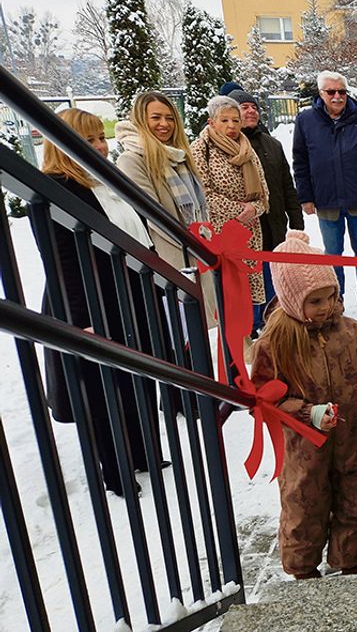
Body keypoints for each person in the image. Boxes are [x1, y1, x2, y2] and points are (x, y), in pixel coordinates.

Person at [250, 230, 357, 579]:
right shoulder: (275, 343)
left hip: (350, 443)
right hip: (304, 451)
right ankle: (303, 571)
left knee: (355, 503)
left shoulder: (351, 332)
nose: (325, 308)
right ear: (290, 300)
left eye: (330, 297)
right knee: (305, 508)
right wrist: (307, 413)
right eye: (314, 301)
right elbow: (263, 398)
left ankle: (352, 563)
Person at [38, 108, 156, 496]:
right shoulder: (56, 187)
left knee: (132, 375)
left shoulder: (103, 180)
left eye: (99, 138)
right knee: (103, 389)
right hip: (91, 303)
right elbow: (61, 261)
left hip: (126, 296)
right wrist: (81, 317)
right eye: (87, 141)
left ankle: (142, 453)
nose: (99, 147)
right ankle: (116, 469)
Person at [115, 91, 217, 325]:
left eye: (170, 118)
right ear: (141, 119)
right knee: (190, 328)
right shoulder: (132, 159)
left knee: (213, 325)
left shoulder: (180, 156)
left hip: (201, 249)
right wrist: (192, 247)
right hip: (173, 255)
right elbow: (152, 215)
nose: (164, 124)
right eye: (156, 118)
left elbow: (201, 207)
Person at [293, 70, 357, 318]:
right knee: (333, 254)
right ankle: (336, 298)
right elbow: (300, 162)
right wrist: (305, 197)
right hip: (326, 200)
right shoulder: (306, 121)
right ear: (321, 93)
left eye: (342, 92)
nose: (337, 97)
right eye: (331, 92)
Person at [190, 95, 269, 327]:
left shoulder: (247, 148)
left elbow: (264, 193)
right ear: (211, 121)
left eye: (235, 120)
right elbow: (203, 194)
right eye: (224, 120)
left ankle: (246, 335)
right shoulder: (201, 149)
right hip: (221, 233)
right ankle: (234, 342)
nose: (231, 126)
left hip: (249, 232)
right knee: (226, 291)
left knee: (246, 290)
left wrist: (254, 208)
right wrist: (238, 210)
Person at [228, 88, 304, 317]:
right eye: (244, 107)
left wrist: (296, 220)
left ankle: (271, 319)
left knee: (273, 273)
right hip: (245, 227)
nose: (251, 111)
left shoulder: (272, 144)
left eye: (254, 107)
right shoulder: (225, 147)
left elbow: (286, 185)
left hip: (274, 223)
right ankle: (251, 324)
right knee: (249, 277)